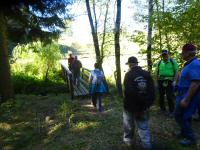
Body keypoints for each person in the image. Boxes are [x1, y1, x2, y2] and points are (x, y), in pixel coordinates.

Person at [123, 56, 155, 150]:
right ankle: (147, 146)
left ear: (129, 64)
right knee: (144, 128)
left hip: (130, 107)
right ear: (137, 63)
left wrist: (137, 105)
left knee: (128, 125)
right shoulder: (147, 74)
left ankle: (129, 143)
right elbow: (152, 92)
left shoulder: (128, 75)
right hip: (143, 107)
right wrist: (146, 105)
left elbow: (129, 92)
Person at [174, 43, 200, 146]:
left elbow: (196, 83)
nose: (181, 54)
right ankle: (183, 132)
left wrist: (187, 99)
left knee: (182, 116)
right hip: (182, 94)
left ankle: (191, 138)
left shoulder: (195, 64)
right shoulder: (189, 64)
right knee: (182, 115)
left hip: (190, 96)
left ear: (188, 53)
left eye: (183, 52)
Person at [156, 49, 179, 116]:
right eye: (163, 55)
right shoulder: (159, 62)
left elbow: (177, 72)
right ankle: (163, 110)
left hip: (170, 80)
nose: (164, 56)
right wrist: (157, 81)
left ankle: (172, 111)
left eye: (165, 54)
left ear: (168, 54)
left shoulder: (172, 62)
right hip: (161, 80)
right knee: (161, 96)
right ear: (161, 55)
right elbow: (157, 72)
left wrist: (175, 81)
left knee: (169, 96)